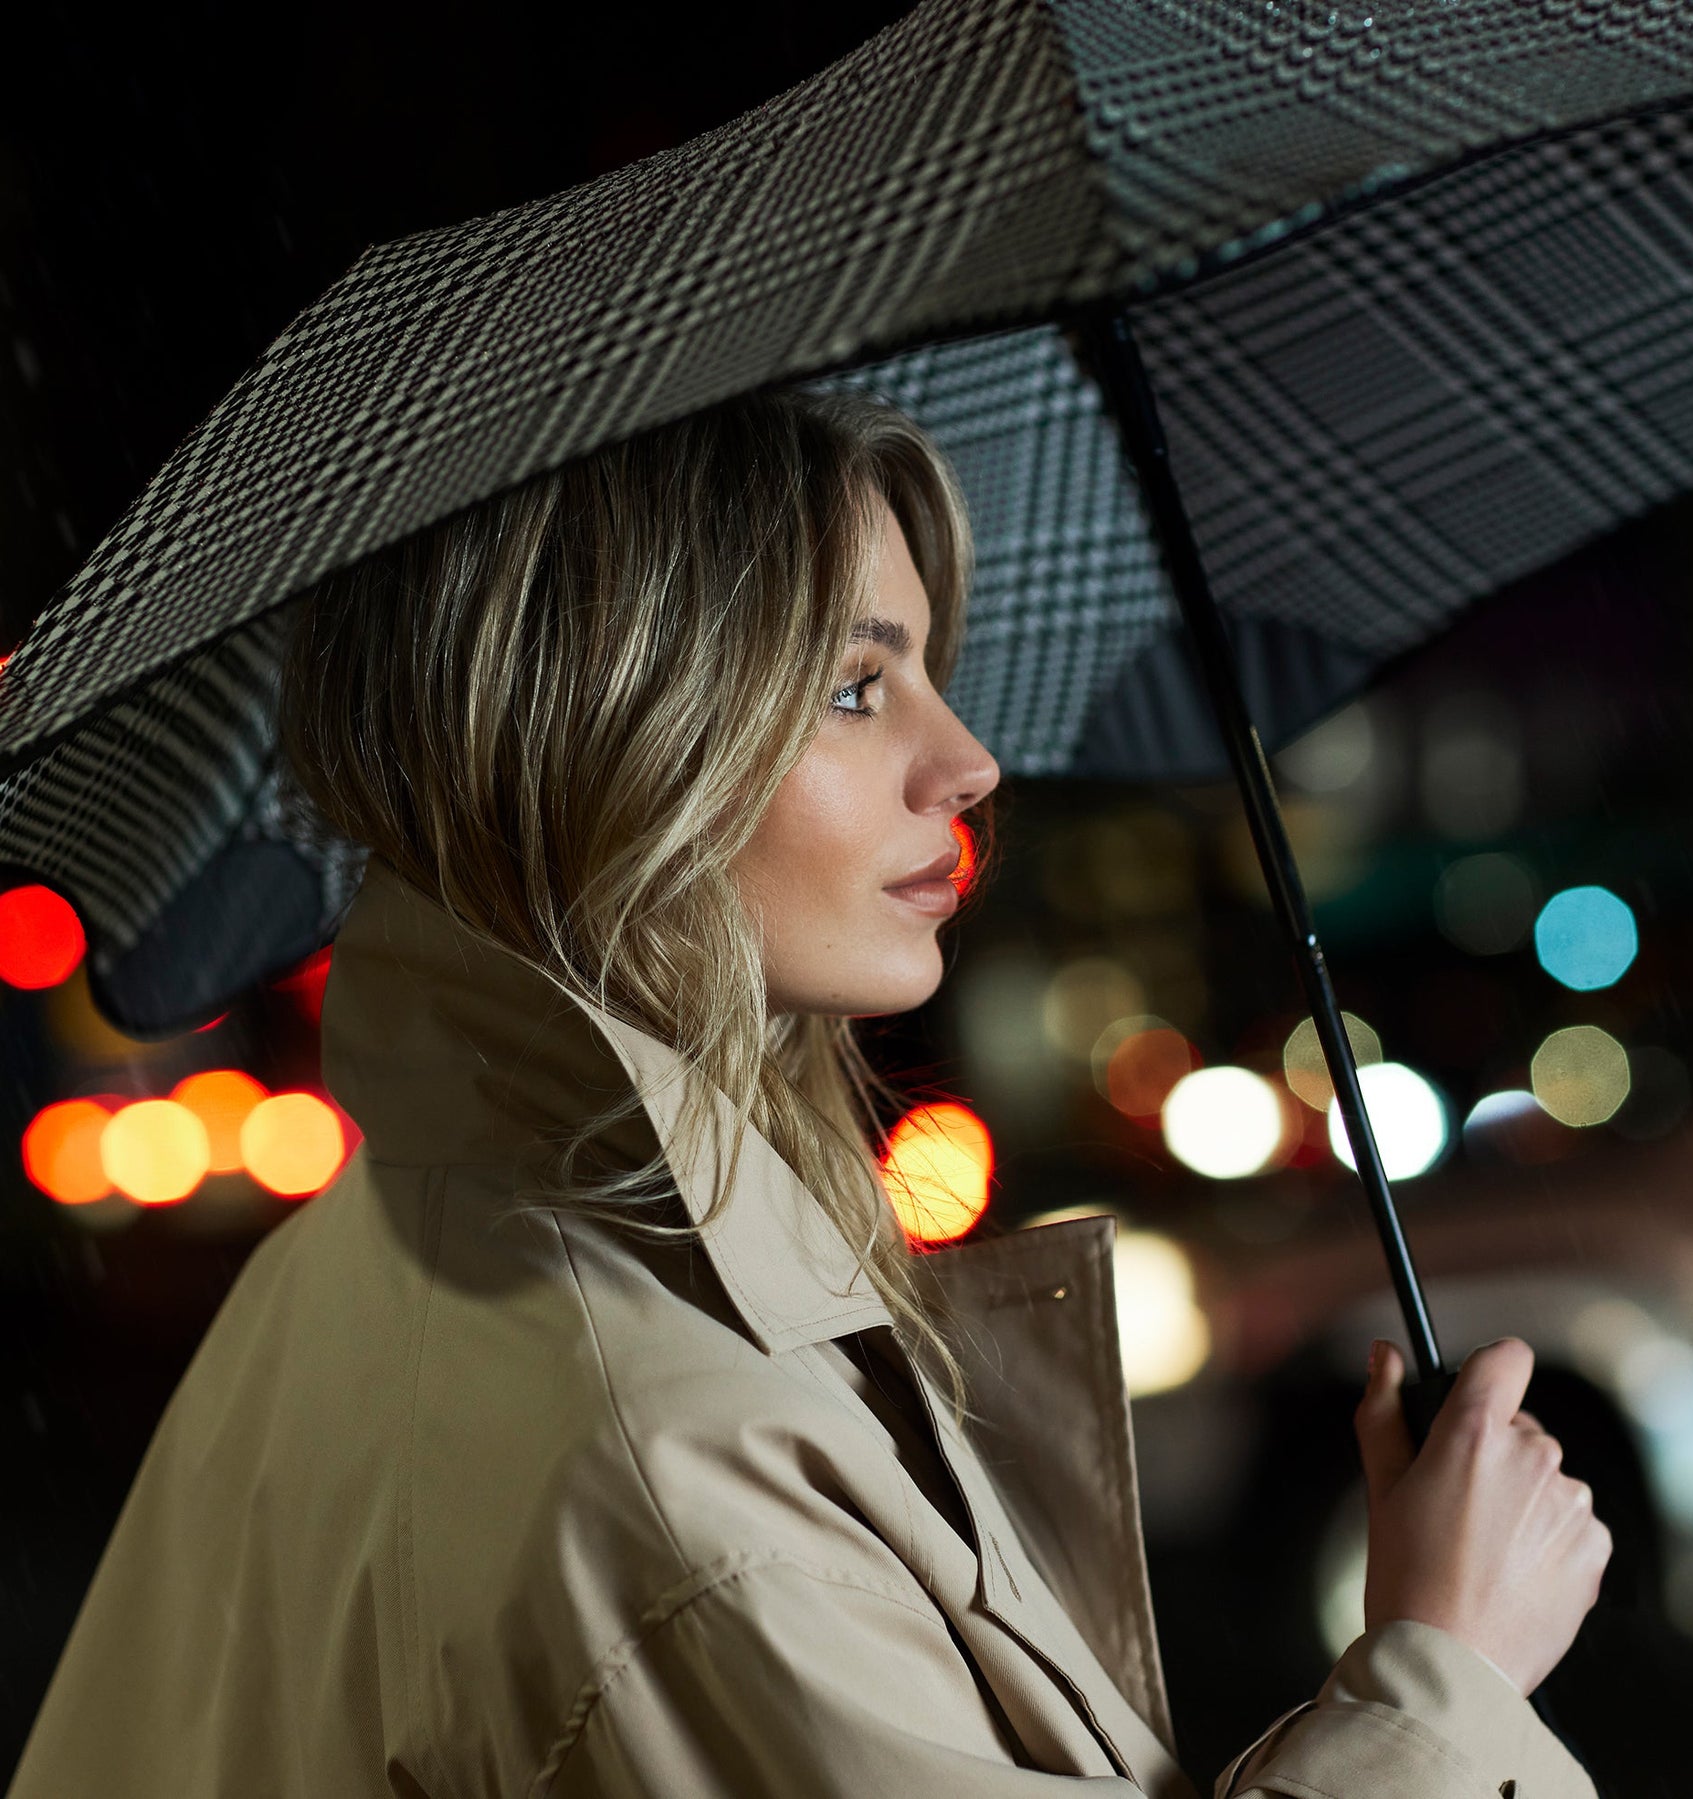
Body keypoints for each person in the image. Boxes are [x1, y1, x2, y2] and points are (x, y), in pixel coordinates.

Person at [5, 387, 1608, 1798]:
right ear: (619, 741)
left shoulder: (421, 1236)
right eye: (858, 687)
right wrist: (1440, 1683)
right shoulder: (678, 1482)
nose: (967, 760)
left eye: (927, 673)